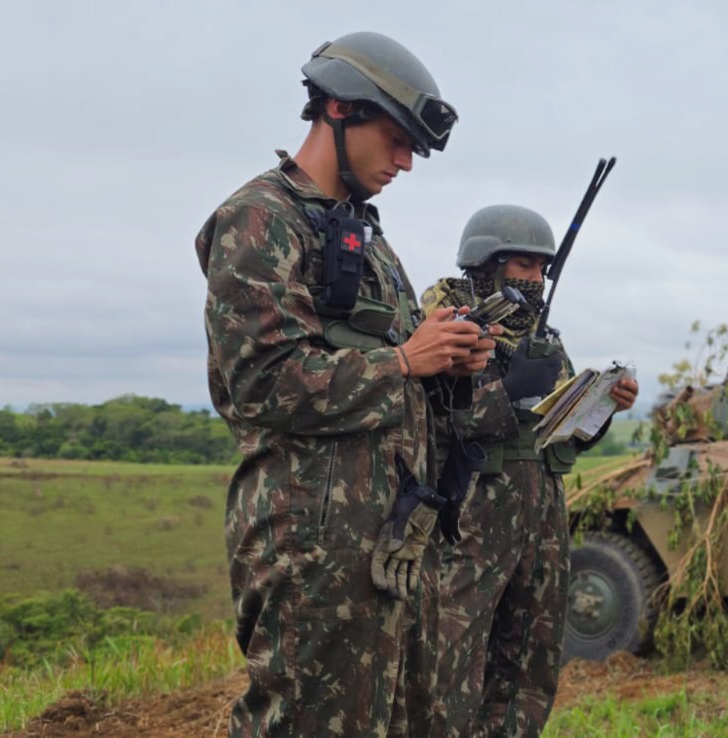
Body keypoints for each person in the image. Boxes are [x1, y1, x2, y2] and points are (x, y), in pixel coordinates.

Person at [195, 31, 496, 738]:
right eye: (394, 140)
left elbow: (396, 372)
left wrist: (449, 359)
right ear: (336, 109)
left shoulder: (365, 236)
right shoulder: (259, 219)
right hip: (312, 550)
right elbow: (259, 383)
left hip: (388, 542)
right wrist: (404, 362)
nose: (403, 163)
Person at [421, 204, 639, 737]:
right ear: (486, 262)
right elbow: (434, 416)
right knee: (454, 651)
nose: (535, 278)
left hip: (540, 514)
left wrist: (603, 406)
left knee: (531, 655)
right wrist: (507, 388)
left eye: (542, 268)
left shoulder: (542, 336)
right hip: (471, 513)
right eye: (523, 264)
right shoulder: (443, 324)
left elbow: (562, 432)